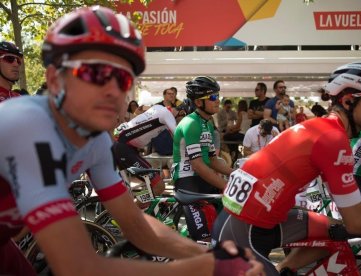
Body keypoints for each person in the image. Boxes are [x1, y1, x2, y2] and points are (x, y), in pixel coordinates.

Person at [0, 6, 263, 276]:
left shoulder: (95, 142)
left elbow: (136, 224)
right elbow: (79, 265)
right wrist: (204, 267)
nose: (112, 90)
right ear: (54, 79)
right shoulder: (29, 127)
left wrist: (211, 255)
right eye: (95, 74)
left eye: (123, 78)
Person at [212, 61, 361, 275]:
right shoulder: (332, 138)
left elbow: (350, 213)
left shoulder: (322, 128)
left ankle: (283, 269)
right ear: (348, 100)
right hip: (241, 232)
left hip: (254, 218)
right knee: (349, 228)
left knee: (335, 230)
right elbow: (358, 220)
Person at [172, 76, 234, 242]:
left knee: (226, 229)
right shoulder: (191, 123)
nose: (217, 101)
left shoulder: (207, 123)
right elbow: (198, 165)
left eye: (218, 96)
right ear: (199, 103)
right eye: (213, 97)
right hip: (187, 180)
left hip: (201, 178)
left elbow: (213, 160)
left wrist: (237, 174)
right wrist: (228, 185)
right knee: (204, 241)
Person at [113, 104, 185, 196]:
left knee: (155, 182)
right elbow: (179, 138)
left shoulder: (159, 108)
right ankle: (135, 208)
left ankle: (133, 204)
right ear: (182, 113)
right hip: (124, 147)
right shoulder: (167, 115)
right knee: (158, 186)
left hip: (123, 146)